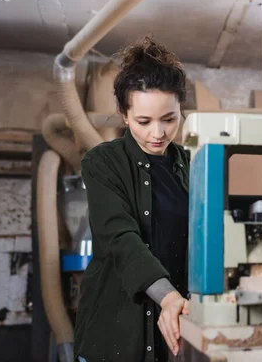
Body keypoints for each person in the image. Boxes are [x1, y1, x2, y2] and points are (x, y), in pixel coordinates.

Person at [74, 36, 191, 362]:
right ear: (125, 116)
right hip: (115, 334)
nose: (158, 133)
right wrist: (167, 297)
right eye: (143, 121)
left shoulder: (191, 164)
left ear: (181, 110)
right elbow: (120, 238)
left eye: (169, 119)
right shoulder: (102, 163)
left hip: (174, 328)